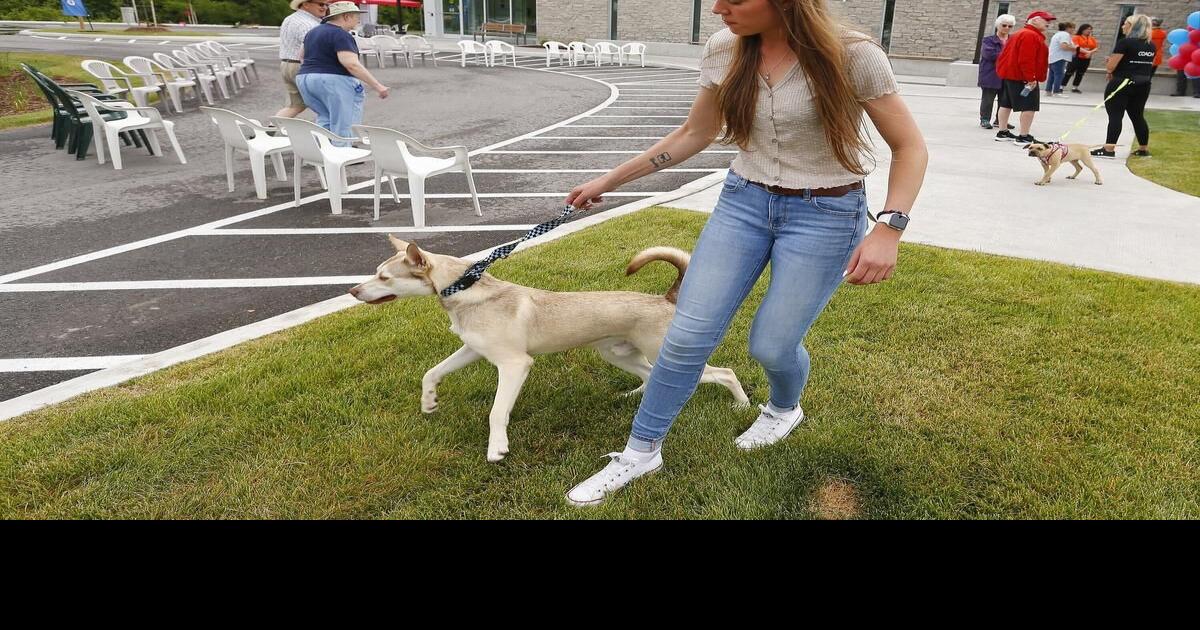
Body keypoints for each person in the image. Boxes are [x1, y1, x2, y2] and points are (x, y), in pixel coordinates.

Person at [561, 0, 928, 507]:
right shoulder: (725, 49)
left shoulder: (853, 54)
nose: (717, 8)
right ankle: (640, 452)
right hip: (744, 203)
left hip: (826, 212)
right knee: (686, 335)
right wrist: (610, 180)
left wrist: (890, 227)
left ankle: (783, 409)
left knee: (773, 346)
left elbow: (910, 147)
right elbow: (696, 132)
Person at [295, 1, 389, 144]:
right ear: (346, 16)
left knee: (325, 118)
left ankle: (322, 151)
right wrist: (378, 86)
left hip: (306, 78)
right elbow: (351, 64)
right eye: (356, 16)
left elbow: (301, 56)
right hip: (334, 79)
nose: (358, 20)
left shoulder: (313, 32)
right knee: (344, 123)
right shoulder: (341, 34)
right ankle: (342, 151)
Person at [1091, 14, 1156, 159]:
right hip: (1142, 84)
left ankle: (1108, 149)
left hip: (1122, 83)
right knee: (1137, 116)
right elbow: (1141, 64)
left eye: (1126, 23)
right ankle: (1143, 149)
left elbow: (1111, 66)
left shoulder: (1125, 43)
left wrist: (1109, 65)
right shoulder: (1151, 45)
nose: (1123, 26)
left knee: (1115, 115)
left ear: (1133, 26)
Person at [995, 11, 1054, 144]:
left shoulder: (1019, 33)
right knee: (1029, 107)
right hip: (1022, 77)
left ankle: (1002, 132)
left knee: (1006, 104)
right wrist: (1031, 78)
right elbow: (1026, 59)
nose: (1048, 23)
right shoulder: (1030, 35)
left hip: (1011, 75)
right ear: (1035, 20)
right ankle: (1023, 136)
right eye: (1046, 20)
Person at [275, 0, 327, 119]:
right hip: (303, 67)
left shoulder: (290, 19)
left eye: (326, 5)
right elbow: (315, 48)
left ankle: (272, 127)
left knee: (295, 105)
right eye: (320, 4)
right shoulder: (309, 24)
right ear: (306, 4)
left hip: (286, 64)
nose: (324, 7)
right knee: (326, 104)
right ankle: (328, 129)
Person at [978, 14, 1015, 129]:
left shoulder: (1013, 40)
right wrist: (1008, 55)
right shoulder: (988, 40)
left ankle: (1000, 120)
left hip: (1007, 75)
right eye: (1004, 25)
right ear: (998, 25)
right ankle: (985, 119)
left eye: (1010, 26)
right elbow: (989, 55)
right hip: (991, 74)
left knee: (1004, 100)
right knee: (988, 99)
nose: (1007, 28)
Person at [1063, 24, 1097, 93]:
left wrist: (1090, 53)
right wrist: (1087, 52)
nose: (1089, 31)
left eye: (1090, 29)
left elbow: (1096, 48)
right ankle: (1061, 86)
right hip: (1076, 57)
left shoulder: (1092, 39)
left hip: (1086, 59)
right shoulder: (1076, 37)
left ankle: (1075, 87)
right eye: (1087, 29)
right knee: (1069, 72)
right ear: (1082, 29)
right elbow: (1077, 47)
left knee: (1081, 73)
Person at [1047, 21, 1077, 97]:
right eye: (1073, 28)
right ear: (1068, 28)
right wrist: (1074, 48)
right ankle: (1056, 92)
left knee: (1052, 75)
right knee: (1059, 75)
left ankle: (1048, 91)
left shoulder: (1057, 34)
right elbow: (1064, 46)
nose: (1074, 30)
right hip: (1059, 58)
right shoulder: (1065, 34)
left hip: (1052, 57)